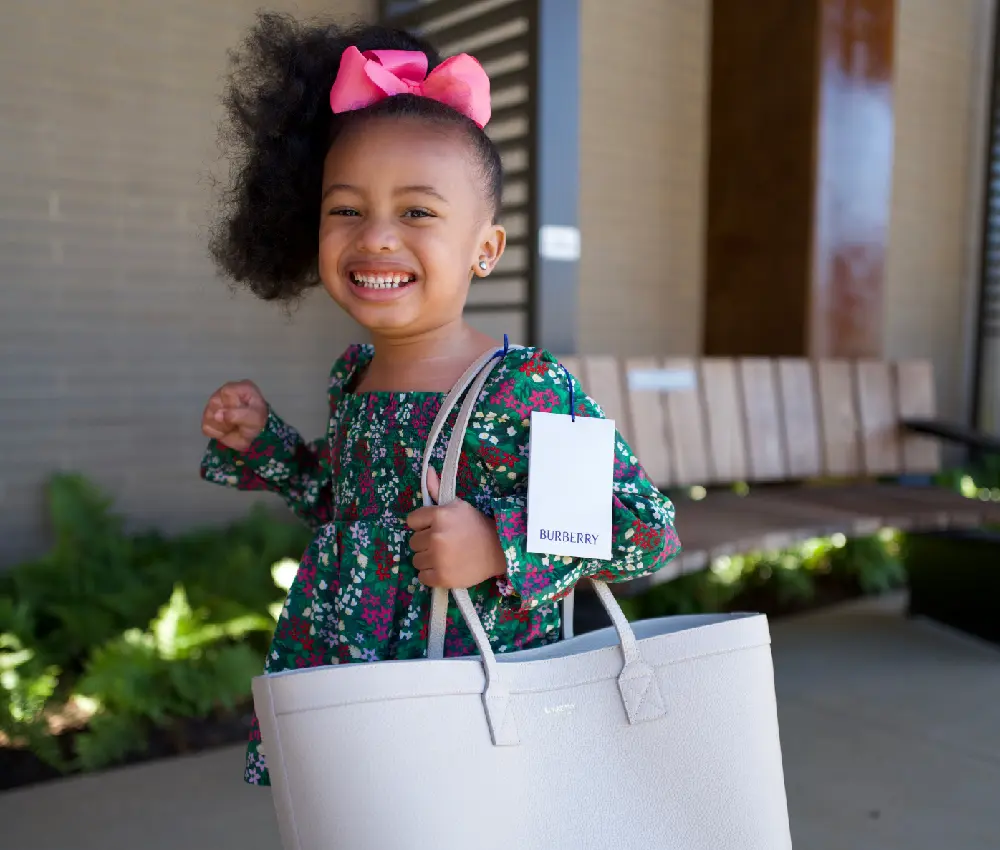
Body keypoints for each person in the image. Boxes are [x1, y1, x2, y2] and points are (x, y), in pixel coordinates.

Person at [199, 12, 682, 787]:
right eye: (346, 209)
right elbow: (344, 504)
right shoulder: (353, 374)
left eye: (417, 212)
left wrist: (498, 546)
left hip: (473, 706)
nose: (377, 236)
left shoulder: (523, 387)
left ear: (484, 248)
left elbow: (643, 528)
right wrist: (263, 442)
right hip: (349, 680)